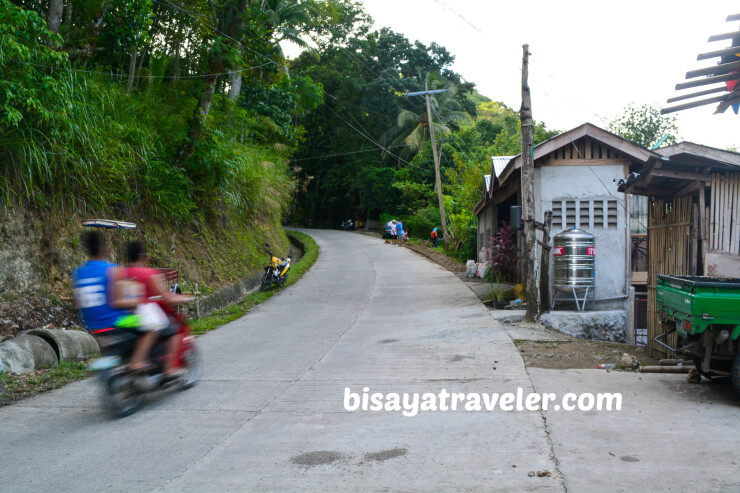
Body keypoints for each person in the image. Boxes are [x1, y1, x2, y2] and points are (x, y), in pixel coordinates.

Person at [72, 230, 153, 372]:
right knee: (150, 327)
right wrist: (138, 301)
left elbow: (78, 303)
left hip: (92, 326)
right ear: (101, 249)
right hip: (117, 323)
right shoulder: (111, 269)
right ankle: (137, 362)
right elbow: (119, 302)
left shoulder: (78, 272)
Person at [116, 241, 189, 378]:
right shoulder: (149, 274)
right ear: (142, 256)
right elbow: (167, 297)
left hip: (126, 317)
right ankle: (169, 369)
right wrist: (183, 298)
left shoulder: (120, 274)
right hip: (145, 315)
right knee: (174, 332)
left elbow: (118, 300)